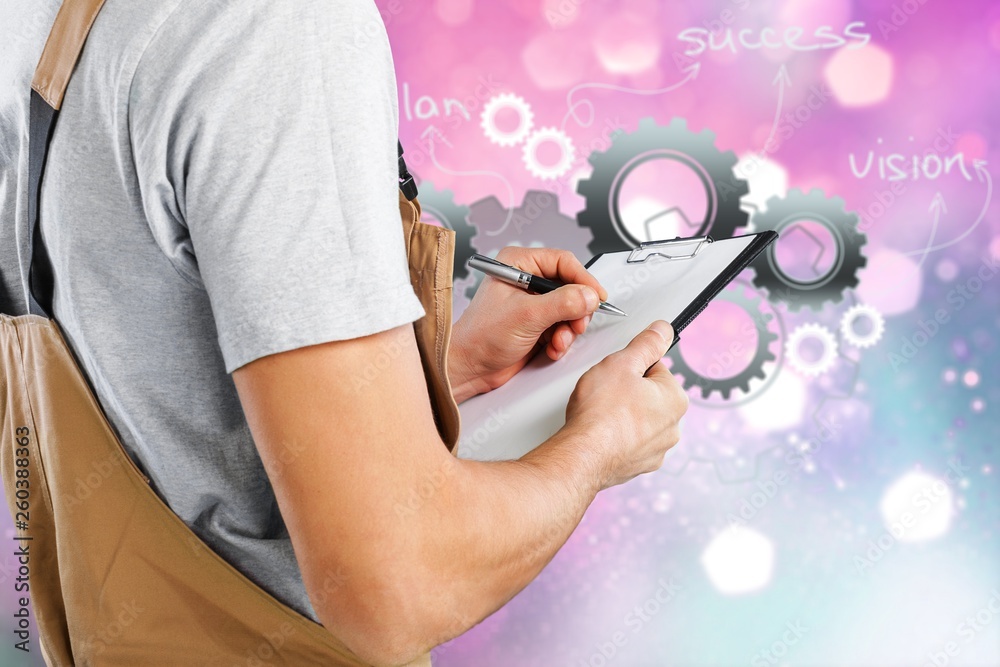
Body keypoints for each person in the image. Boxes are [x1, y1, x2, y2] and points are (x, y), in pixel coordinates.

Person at [0, 0, 688, 662]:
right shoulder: (276, 28)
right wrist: (597, 446)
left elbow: (148, 378)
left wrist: (444, 368)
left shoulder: (44, 24)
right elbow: (400, 584)